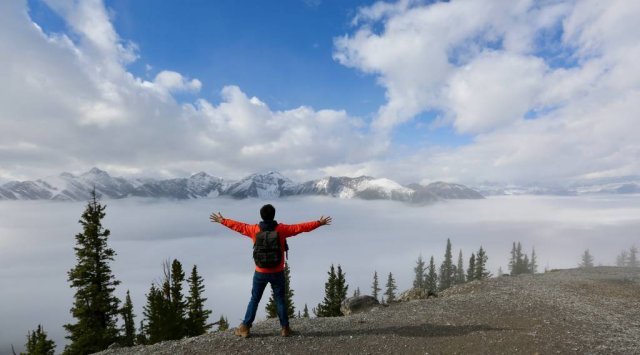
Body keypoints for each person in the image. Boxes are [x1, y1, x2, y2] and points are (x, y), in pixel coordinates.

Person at [210, 204, 331, 338]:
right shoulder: (282, 229)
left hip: (260, 272)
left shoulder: (254, 229)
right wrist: (319, 223)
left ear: (261, 216)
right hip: (277, 271)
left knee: (255, 299)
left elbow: (238, 226)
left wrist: (223, 221)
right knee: (280, 299)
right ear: (274, 215)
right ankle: (285, 328)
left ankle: (245, 327)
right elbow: (300, 228)